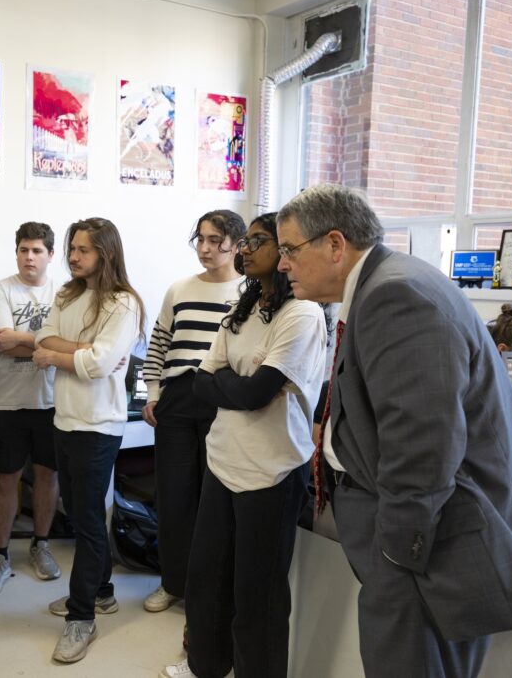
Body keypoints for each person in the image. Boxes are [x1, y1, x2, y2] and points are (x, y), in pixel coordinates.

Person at [275, 183, 512, 678]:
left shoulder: (395, 296)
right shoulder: (387, 283)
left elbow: (423, 447)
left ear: (335, 245)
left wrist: (398, 553)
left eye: (289, 249)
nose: (282, 263)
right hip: (409, 539)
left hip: (419, 549)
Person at [162, 213, 326, 678]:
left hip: (271, 472)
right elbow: (200, 382)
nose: (246, 248)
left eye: (259, 240)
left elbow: (255, 394)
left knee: (259, 596)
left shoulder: (303, 314)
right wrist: (243, 386)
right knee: (207, 581)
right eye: (247, 240)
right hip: (223, 461)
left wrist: (236, 386)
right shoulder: (244, 311)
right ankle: (206, 667)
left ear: (288, 251)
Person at [31, 217, 145, 664]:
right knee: (77, 514)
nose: (73, 257)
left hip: (99, 426)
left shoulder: (123, 303)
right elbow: (44, 338)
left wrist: (60, 354)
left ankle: (81, 617)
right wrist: (84, 349)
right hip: (65, 418)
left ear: (106, 253)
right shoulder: (66, 294)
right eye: (72, 249)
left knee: (90, 522)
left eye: (83, 250)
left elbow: (100, 364)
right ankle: (102, 592)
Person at [140, 209, 246, 614]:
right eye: (200, 239)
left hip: (222, 397)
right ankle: (173, 582)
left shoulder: (247, 291)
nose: (205, 248)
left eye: (216, 240)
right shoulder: (179, 289)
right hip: (178, 398)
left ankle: (209, 589)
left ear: (236, 245)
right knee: (173, 493)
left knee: (214, 497)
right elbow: (160, 342)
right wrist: (153, 392)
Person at [0, 222, 62, 595]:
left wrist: (27, 339)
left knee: (47, 476)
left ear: (50, 255)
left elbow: (76, 344)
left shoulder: (66, 294)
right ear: (16, 252)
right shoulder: (1, 289)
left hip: (53, 402)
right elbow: (2, 344)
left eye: (37, 250)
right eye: (24, 250)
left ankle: (41, 545)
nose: (30, 257)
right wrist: (53, 347)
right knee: (6, 478)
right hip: (8, 402)